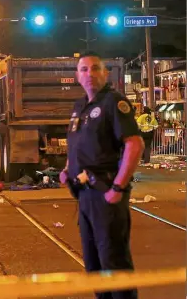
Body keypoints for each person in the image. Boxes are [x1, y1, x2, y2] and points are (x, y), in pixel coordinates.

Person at [59, 52, 144, 299]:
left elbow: (134, 144)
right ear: (77, 76)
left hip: (105, 193)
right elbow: (76, 144)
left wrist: (117, 188)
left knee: (114, 263)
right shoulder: (80, 108)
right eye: (84, 69)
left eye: (95, 68)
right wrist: (67, 170)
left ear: (105, 73)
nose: (89, 73)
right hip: (84, 195)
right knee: (94, 266)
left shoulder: (113, 103)